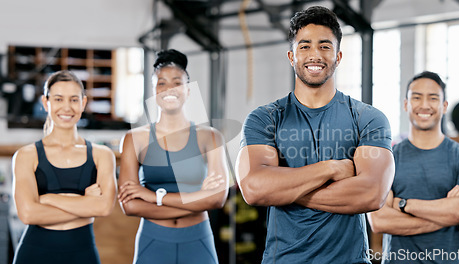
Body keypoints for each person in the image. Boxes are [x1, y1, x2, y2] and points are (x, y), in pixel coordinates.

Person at [236, 6, 395, 263]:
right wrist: (331, 169)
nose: (315, 55)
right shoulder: (265, 118)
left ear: (339, 56)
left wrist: (285, 191)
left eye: (324, 46)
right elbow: (255, 189)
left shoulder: (368, 118)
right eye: (305, 46)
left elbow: (372, 193)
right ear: (291, 56)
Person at [118, 49, 229, 264]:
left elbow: (217, 198)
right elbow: (130, 206)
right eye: (161, 83)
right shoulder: (135, 139)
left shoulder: (210, 137)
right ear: (153, 91)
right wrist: (197, 200)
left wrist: (154, 197)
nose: (169, 89)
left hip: (198, 242)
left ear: (188, 91)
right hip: (153, 242)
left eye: (177, 82)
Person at [367, 71, 459, 264]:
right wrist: (446, 213)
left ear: (444, 106)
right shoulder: (387, 158)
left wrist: (403, 205)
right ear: (406, 104)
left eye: (433, 98)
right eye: (416, 97)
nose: (424, 105)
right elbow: (379, 221)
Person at [12, 70, 117, 264]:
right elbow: (28, 214)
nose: (67, 107)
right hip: (35, 253)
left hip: (82, 253)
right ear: (46, 103)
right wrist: (85, 204)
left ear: (83, 103)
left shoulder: (102, 155)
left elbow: (103, 208)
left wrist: (47, 199)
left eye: (74, 100)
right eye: (58, 99)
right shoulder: (26, 156)